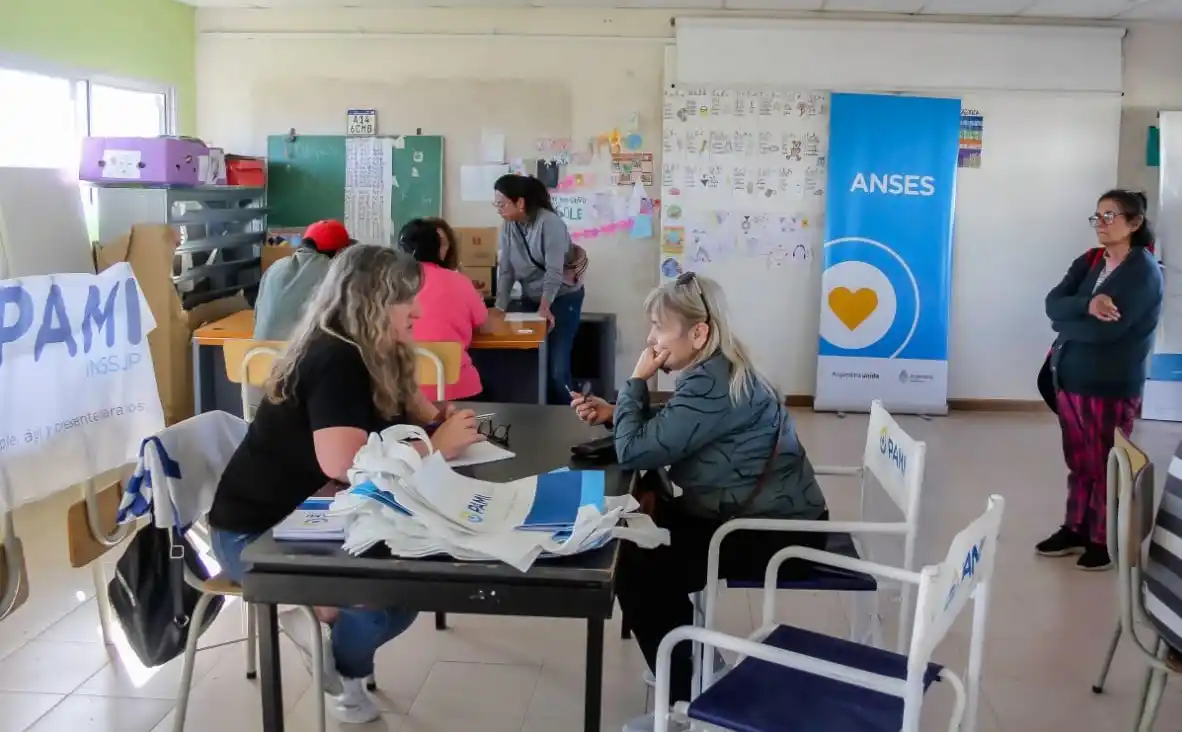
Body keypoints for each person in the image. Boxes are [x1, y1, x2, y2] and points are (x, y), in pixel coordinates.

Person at [208, 246, 485, 723]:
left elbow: (413, 411)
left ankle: (331, 641)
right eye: (406, 301)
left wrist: (439, 420)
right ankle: (339, 666)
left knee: (409, 592)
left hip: (318, 516)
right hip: (259, 537)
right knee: (377, 602)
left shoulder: (377, 351)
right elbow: (344, 463)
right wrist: (437, 446)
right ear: (371, 302)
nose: (418, 310)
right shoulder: (335, 358)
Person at [571, 272, 829, 716]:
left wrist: (635, 381)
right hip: (764, 513)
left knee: (637, 567)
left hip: (776, 532)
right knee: (641, 539)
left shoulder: (710, 383)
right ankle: (695, 664)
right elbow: (679, 423)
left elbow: (635, 451)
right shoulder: (719, 368)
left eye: (658, 327)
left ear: (698, 332)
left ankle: (690, 701)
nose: (651, 339)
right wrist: (620, 413)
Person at [1038, 189, 1163, 571]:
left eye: (1110, 216)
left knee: (1105, 463)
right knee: (1079, 460)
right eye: (1098, 216)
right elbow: (1053, 303)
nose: (1102, 224)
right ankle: (1076, 527)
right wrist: (1084, 306)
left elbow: (1109, 331)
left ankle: (1104, 538)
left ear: (1135, 223)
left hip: (1109, 384)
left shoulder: (1142, 272)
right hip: (1070, 377)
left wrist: (1067, 320)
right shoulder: (1091, 260)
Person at [493, 174, 584, 405]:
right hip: (531, 298)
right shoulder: (509, 226)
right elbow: (506, 270)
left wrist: (545, 306)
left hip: (562, 298)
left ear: (520, 203)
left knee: (556, 369)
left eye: (502, 204)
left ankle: (572, 415)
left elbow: (554, 270)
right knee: (530, 367)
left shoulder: (549, 223)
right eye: (497, 204)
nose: (498, 209)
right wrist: (499, 307)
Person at [398, 217, 490, 400]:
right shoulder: (459, 281)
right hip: (458, 389)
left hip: (404, 390)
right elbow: (483, 322)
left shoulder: (391, 283)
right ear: (439, 248)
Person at [254, 219, 356, 341]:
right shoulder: (333, 272)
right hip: (298, 356)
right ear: (339, 252)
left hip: (256, 355)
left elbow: (257, 315)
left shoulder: (275, 267)